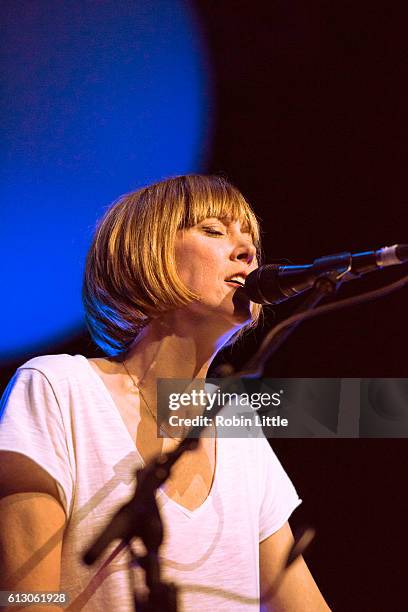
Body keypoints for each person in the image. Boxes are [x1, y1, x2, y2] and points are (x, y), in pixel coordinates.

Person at [0, 175, 330, 611]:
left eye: (250, 240)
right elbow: (27, 598)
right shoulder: (57, 387)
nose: (248, 253)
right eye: (213, 231)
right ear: (148, 253)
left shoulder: (237, 428)